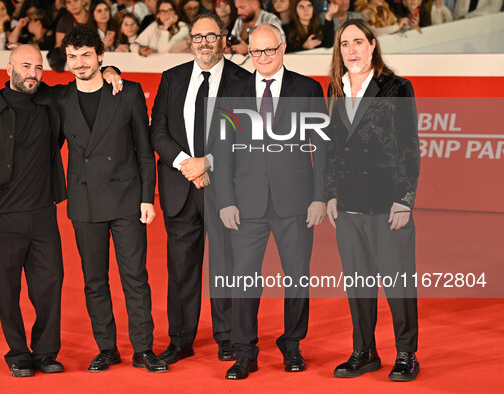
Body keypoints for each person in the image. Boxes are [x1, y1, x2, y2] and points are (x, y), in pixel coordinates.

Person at [214, 23, 327, 380]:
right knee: (244, 279)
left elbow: (322, 149)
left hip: (295, 202)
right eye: (254, 52)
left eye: (268, 50)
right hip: (245, 205)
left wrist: (320, 197)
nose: (261, 58)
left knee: (297, 276)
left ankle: (292, 344)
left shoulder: (307, 89)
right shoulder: (232, 90)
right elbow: (222, 148)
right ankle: (245, 351)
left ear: (282, 48)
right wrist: (225, 200)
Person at [52, 25, 167, 373]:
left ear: (101, 56)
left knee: (135, 277)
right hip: (84, 203)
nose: (79, 62)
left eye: (86, 55)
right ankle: (106, 347)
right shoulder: (60, 99)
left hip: (127, 200)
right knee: (94, 280)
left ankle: (143, 349)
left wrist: (148, 198)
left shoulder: (128, 92)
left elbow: (145, 152)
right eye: (72, 56)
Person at [149, 13, 250, 365]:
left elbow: (246, 134)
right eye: (197, 37)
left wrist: (207, 162)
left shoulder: (242, 81)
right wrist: (185, 164)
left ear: (223, 38)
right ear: (190, 40)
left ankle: (227, 337)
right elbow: (157, 131)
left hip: (224, 189)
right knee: (180, 268)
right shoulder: (172, 79)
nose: (204, 43)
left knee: (226, 264)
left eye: (211, 36)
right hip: (180, 187)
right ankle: (180, 339)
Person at [325, 19, 421, 382]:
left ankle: (406, 354)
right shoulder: (334, 88)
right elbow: (331, 148)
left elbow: (410, 147)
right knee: (358, 283)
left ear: (372, 44)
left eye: (358, 42)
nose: (351, 50)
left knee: (398, 283)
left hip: (387, 205)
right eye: (345, 44)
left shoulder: (397, 88)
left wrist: (404, 199)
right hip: (348, 207)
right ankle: (363, 351)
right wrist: (330, 193)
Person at [0, 44, 66, 378]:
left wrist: (112, 71)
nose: (33, 73)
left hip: (43, 215)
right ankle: (18, 352)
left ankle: (45, 351)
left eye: (38, 68)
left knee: (50, 284)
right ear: (8, 69)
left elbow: (79, 86)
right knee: (7, 291)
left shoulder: (51, 105)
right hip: (3, 219)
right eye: (26, 66)